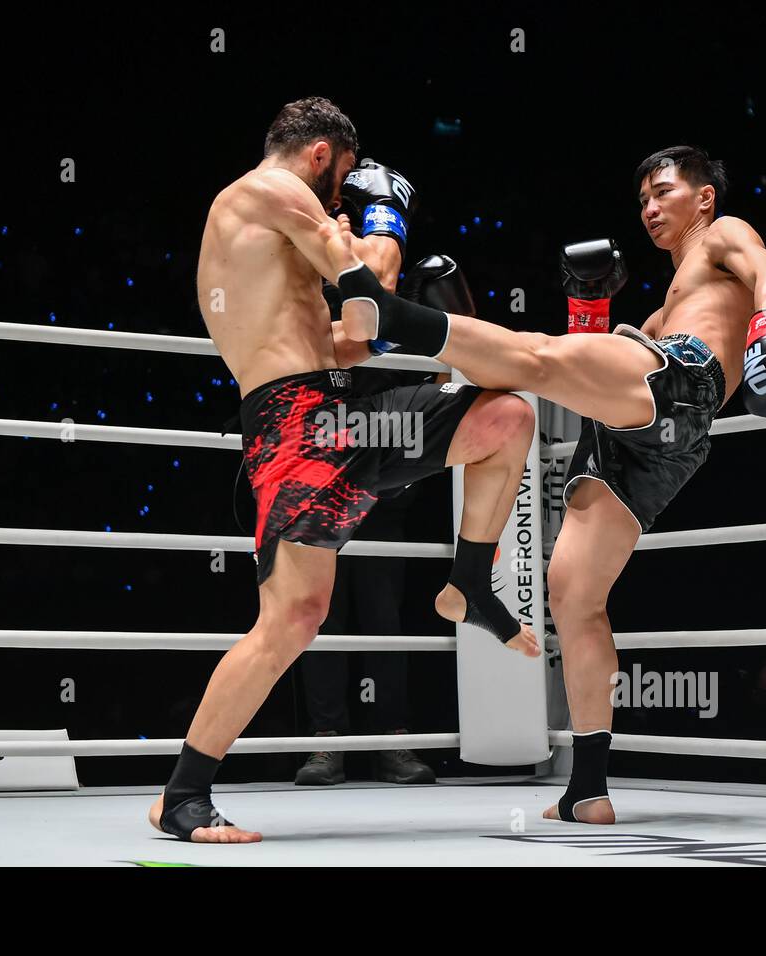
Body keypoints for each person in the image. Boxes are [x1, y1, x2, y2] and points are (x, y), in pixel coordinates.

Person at [327, 145, 766, 825]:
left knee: (534, 358)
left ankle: (393, 319)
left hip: (679, 384)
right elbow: (592, 382)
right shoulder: (663, 309)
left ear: (704, 198)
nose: (649, 208)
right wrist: (590, 311)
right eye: (642, 198)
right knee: (573, 596)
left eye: (664, 192)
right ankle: (588, 789)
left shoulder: (723, 238)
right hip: (653, 439)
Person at [149, 96, 539, 844]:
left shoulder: (271, 233)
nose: (345, 196)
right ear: (324, 154)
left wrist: (386, 329)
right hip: (295, 422)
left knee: (506, 417)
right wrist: (387, 217)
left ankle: (469, 579)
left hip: (346, 405)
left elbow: (353, 332)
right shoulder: (266, 191)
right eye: (348, 176)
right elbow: (372, 284)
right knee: (293, 620)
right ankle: (183, 794)